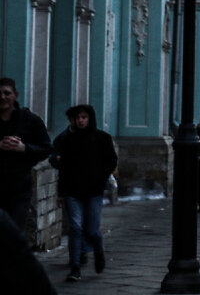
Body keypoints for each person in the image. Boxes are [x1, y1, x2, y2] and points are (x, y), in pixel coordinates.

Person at [50, 104, 117, 282]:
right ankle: (75, 266)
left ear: (90, 118)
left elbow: (111, 161)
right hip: (72, 190)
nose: (80, 121)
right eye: (77, 118)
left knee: (92, 229)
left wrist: (100, 178)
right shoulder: (66, 140)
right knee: (76, 227)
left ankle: (98, 249)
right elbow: (61, 166)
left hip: (93, 191)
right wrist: (61, 192)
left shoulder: (102, 138)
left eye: (84, 117)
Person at [0, 77, 52, 232]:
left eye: (6, 93)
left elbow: (46, 148)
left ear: (15, 95)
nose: (2, 97)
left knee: (15, 231)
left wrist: (24, 148)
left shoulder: (30, 120)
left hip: (19, 187)